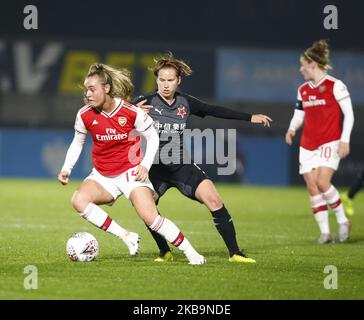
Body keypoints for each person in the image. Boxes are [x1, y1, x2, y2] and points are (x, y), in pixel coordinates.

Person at [57, 63, 206, 264]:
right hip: (102, 176)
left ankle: (192, 254)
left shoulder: (130, 111)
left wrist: (145, 165)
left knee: (151, 218)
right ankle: (125, 236)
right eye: (86, 90)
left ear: (106, 88)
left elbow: (152, 137)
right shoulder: (84, 114)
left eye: (92, 89)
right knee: (78, 200)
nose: (88, 94)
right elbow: (78, 142)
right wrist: (67, 168)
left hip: (130, 173)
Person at [133, 52, 272, 263]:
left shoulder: (185, 102)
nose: (166, 84)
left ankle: (235, 253)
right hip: (155, 168)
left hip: (181, 166)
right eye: (161, 80)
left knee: (214, 199)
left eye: (170, 80)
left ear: (178, 81)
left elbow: (214, 110)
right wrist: (131, 109)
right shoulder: (144, 102)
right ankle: (165, 251)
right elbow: (115, 114)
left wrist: (249, 117)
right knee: (147, 208)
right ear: (156, 80)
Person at [285, 40, 354, 244]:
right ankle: (325, 233)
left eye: (303, 65)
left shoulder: (336, 86)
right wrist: (291, 128)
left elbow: (349, 115)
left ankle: (343, 221)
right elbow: (299, 115)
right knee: (312, 187)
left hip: (329, 142)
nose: (301, 69)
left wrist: (345, 140)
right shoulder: (303, 90)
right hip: (307, 144)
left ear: (313, 64)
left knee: (323, 183)